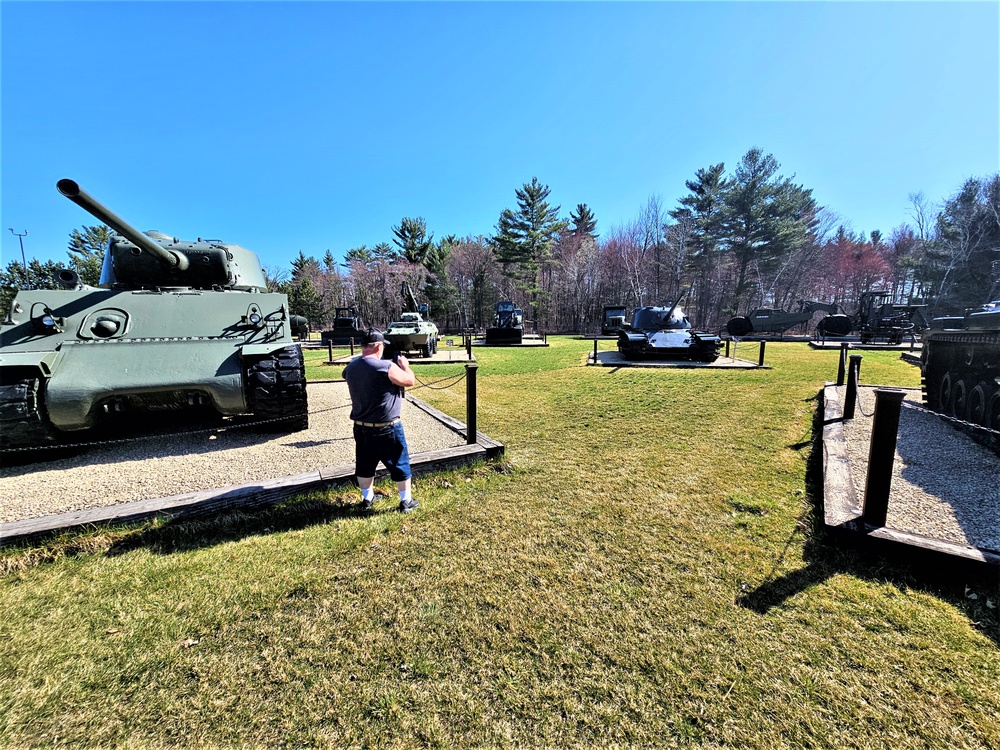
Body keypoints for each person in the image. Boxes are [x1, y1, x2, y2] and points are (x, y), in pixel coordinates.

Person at [342, 328, 419, 513]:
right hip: (387, 428)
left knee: (364, 464)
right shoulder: (386, 367)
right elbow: (409, 381)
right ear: (378, 346)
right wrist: (405, 365)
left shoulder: (350, 368)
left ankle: (367, 499)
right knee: (400, 462)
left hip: (361, 427)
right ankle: (406, 501)